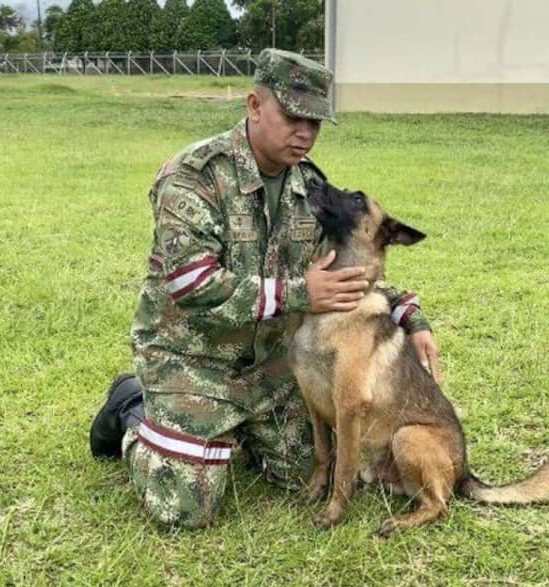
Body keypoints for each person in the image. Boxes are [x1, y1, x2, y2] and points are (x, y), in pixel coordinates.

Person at [89, 49, 439, 528]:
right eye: (293, 117)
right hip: (194, 360)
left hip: (270, 368)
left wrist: (410, 316)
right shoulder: (194, 176)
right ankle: (131, 404)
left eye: (315, 122)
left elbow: (345, 273)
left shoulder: (310, 188)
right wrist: (299, 294)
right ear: (254, 105)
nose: (305, 133)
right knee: (184, 507)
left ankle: (233, 432)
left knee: (311, 471)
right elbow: (193, 283)